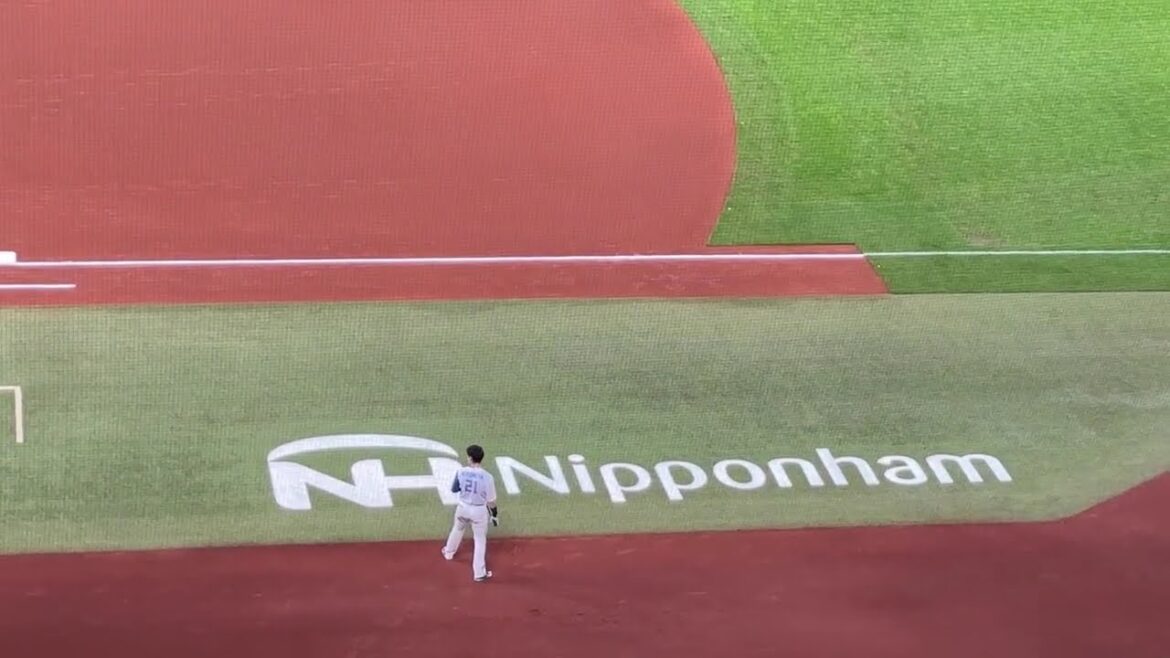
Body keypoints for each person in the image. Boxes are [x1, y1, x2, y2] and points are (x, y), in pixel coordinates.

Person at [441, 444, 498, 581]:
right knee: (479, 540)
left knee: (458, 528)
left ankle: (448, 552)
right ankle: (479, 574)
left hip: (463, 507)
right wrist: (494, 515)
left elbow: (454, 489)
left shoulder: (461, 472)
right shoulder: (488, 477)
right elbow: (491, 501)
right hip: (479, 511)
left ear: (471, 458)